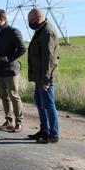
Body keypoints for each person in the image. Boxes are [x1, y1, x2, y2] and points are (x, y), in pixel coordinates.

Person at [0, 9, 27, 133]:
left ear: (1, 19)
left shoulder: (13, 31)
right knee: (4, 96)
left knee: (14, 96)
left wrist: (7, 58)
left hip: (11, 70)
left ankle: (19, 123)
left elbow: (22, 49)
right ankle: (9, 121)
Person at [26, 8, 59, 143]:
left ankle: (54, 134)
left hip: (45, 77)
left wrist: (46, 79)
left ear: (38, 18)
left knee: (49, 105)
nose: (30, 24)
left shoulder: (47, 32)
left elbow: (49, 59)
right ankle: (44, 130)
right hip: (39, 76)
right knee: (40, 104)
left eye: (31, 21)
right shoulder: (40, 30)